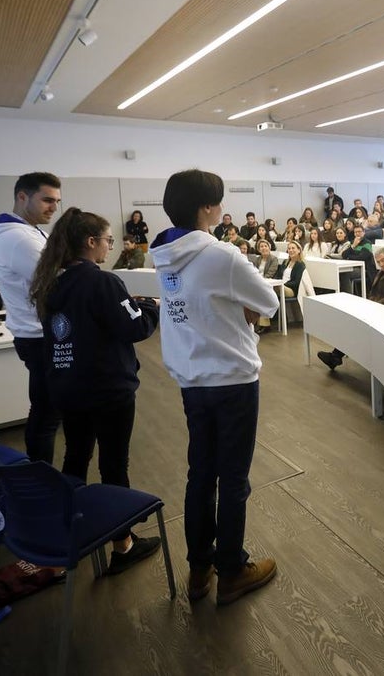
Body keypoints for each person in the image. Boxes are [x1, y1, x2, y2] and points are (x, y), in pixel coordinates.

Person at [150, 169, 280, 605]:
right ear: (207, 208)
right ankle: (231, 570)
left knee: (200, 474)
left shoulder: (163, 253)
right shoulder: (223, 256)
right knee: (234, 477)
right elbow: (269, 302)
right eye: (219, 201)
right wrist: (237, 311)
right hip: (232, 378)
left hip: (191, 379)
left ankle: (199, 567)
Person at [30, 207, 162, 574]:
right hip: (107, 389)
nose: (109, 247)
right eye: (106, 240)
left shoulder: (51, 282)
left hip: (68, 387)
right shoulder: (103, 282)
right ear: (90, 243)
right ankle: (122, 543)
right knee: (114, 464)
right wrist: (149, 308)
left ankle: (67, 537)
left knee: (76, 456)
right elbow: (134, 329)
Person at [0, 172, 63, 463]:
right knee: (46, 415)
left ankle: (39, 477)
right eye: (46, 200)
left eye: (56, 201)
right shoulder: (19, 238)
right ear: (22, 197)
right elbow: (60, 282)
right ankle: (40, 480)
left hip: (37, 333)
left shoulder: (29, 232)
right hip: (38, 337)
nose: (53, 207)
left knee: (47, 411)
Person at [317, 247, 384, 371]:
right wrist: (370, 304)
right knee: (352, 323)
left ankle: (336, 356)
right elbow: (373, 291)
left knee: (356, 326)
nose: (381, 264)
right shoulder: (383, 271)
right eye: (378, 262)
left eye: (383, 260)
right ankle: (336, 356)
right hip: (378, 308)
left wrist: (372, 307)